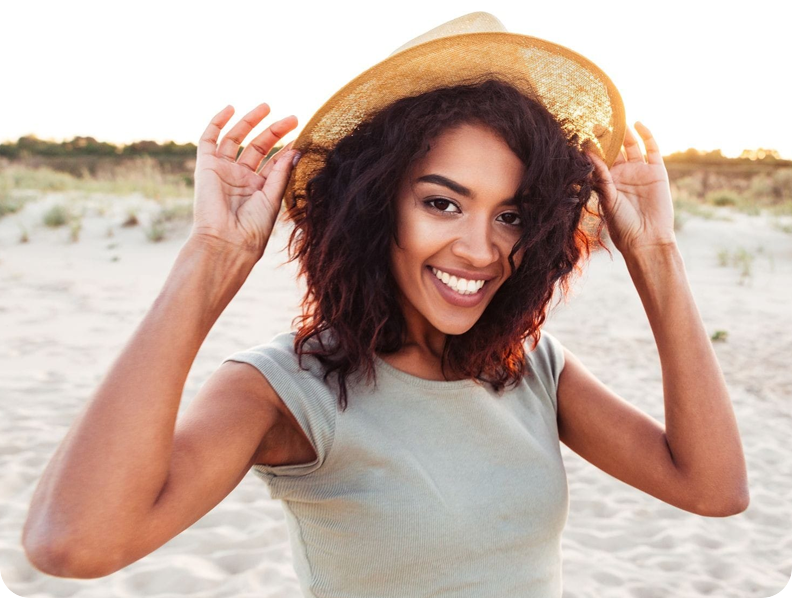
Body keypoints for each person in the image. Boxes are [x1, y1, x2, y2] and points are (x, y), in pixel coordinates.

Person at [22, 11, 748, 597]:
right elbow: (74, 544)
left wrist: (658, 258)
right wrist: (210, 260)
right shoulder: (282, 391)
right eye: (442, 203)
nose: (479, 249)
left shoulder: (531, 370)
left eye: (511, 214)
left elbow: (712, 488)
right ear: (375, 206)